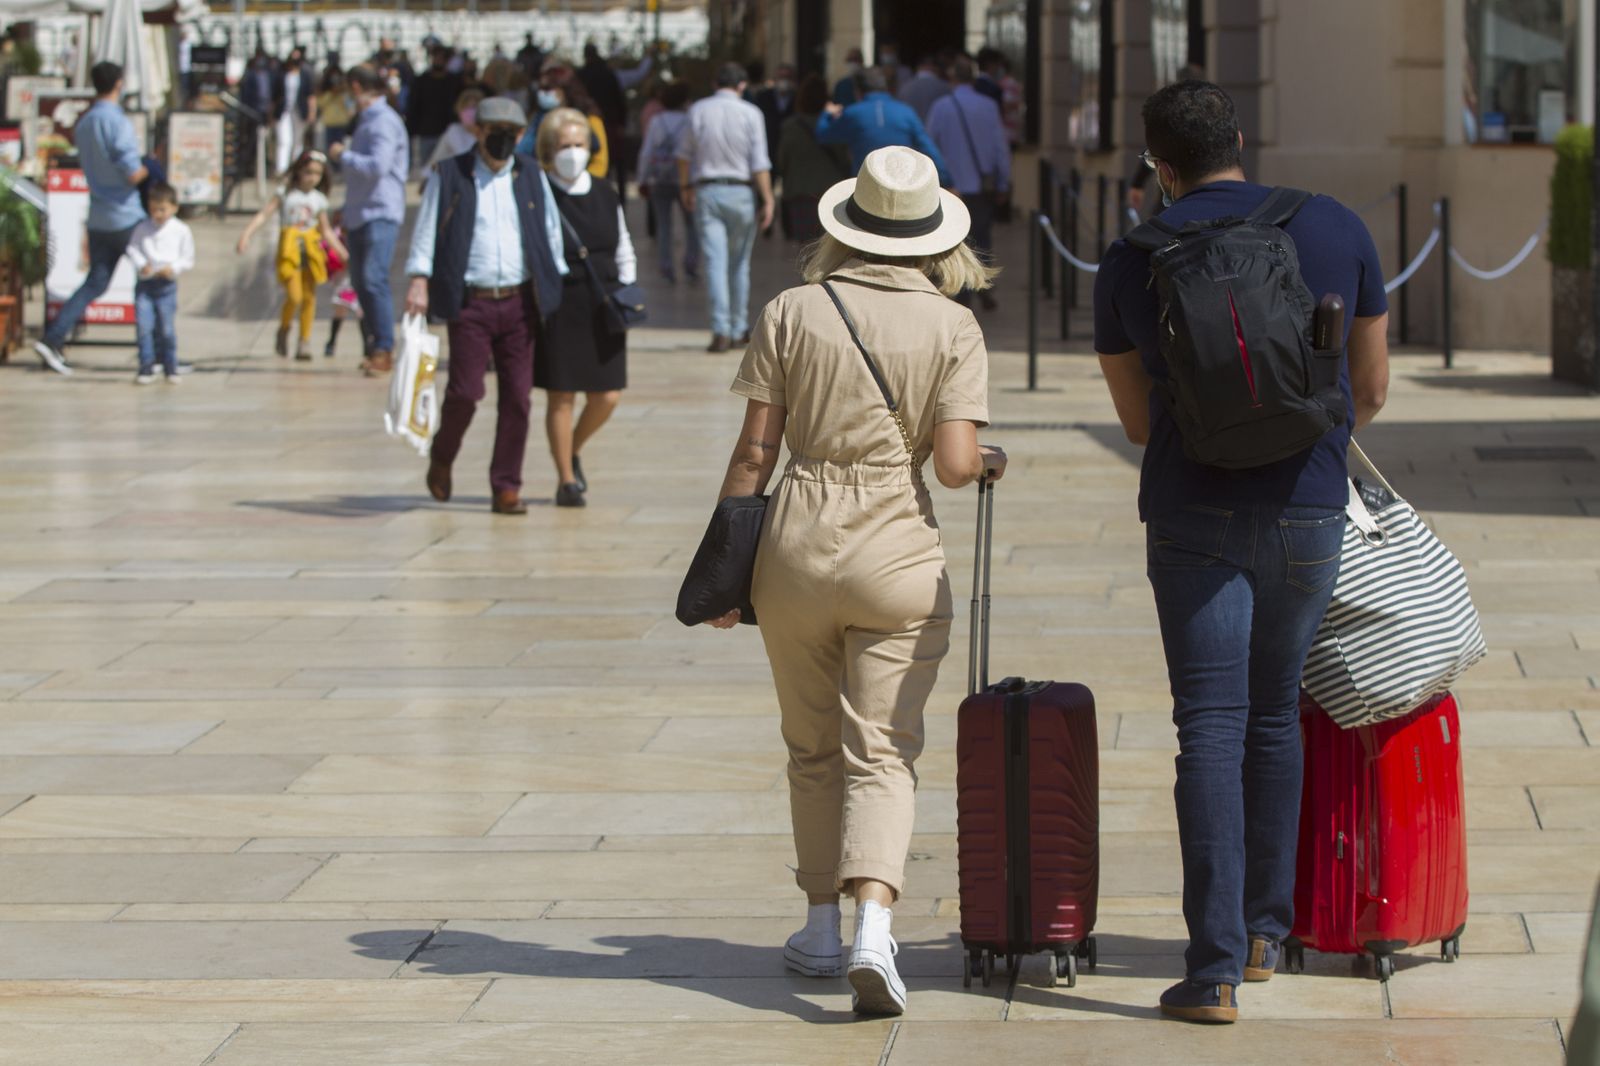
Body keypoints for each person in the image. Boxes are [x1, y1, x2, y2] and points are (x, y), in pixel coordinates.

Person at [1093, 80, 1391, 1024]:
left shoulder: (1131, 260)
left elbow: (1139, 421)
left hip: (1194, 515)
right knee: (1274, 718)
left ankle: (1212, 969)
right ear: (1241, 142)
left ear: (1160, 167)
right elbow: (1372, 389)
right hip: (1309, 509)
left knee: (1209, 728)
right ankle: (1267, 933)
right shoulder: (1337, 226)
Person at [704, 145, 1002, 1017]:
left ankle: (820, 927)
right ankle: (878, 923)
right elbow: (952, 466)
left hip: (796, 539)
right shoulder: (955, 326)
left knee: (811, 746)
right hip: (896, 548)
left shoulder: (794, 308)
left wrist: (726, 567)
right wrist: (988, 459)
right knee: (885, 749)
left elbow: (756, 449)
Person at [403, 96, 569, 516]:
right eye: (492, 132)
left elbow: (549, 229)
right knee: (465, 391)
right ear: (478, 132)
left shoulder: (531, 174)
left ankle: (506, 486)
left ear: (519, 136)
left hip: (519, 301)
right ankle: (444, 454)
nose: (500, 142)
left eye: (509, 134)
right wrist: (419, 278)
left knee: (518, 397)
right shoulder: (451, 174)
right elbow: (427, 229)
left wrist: (555, 283)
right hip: (471, 301)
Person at [536, 108, 637, 508]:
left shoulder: (604, 191)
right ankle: (565, 478)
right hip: (562, 301)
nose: (573, 153)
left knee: (607, 395)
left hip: (605, 299)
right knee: (561, 395)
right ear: (549, 150)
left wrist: (628, 289)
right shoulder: (539, 193)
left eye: (579, 145)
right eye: (565, 146)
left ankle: (571, 448)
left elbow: (623, 243)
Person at [33, 61, 148, 377]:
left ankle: (54, 337)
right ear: (119, 84)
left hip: (97, 213)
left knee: (95, 281)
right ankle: (152, 353)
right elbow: (132, 172)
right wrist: (153, 169)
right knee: (149, 281)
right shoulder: (117, 121)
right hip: (126, 214)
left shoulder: (84, 122)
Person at [675, 62, 775, 353]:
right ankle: (738, 325)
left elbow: (683, 155)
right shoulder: (751, 113)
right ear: (742, 85)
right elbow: (760, 163)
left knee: (715, 263)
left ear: (715, 83)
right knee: (739, 263)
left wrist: (685, 186)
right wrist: (768, 199)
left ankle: (720, 330)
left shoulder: (698, 110)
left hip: (708, 190)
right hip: (742, 192)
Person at [330, 64, 409, 377]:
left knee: (373, 279)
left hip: (380, 210)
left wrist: (341, 155)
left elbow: (377, 166)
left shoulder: (383, 122)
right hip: (360, 210)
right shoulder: (366, 121)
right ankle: (375, 343)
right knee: (361, 281)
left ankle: (384, 347)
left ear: (357, 88)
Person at [235, 150, 349, 361]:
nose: (312, 177)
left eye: (317, 173)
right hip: (289, 250)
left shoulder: (319, 199)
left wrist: (341, 252)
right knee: (294, 295)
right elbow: (264, 215)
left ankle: (304, 341)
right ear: (298, 171)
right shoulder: (285, 194)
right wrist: (246, 234)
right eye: (308, 172)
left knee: (309, 297)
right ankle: (284, 328)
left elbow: (325, 230)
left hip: (311, 250)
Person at [926, 56, 1009, 310]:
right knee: (981, 237)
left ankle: (960, 289)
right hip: (980, 186)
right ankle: (980, 284)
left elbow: (930, 145)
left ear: (952, 78)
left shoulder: (941, 107)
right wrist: (1004, 182)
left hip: (950, 187)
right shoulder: (988, 106)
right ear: (974, 78)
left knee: (952, 240)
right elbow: (999, 148)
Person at [815, 67, 951, 187]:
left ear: (857, 91)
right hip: (903, 189)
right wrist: (945, 179)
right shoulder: (905, 112)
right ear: (886, 87)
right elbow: (927, 147)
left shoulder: (852, 113)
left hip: (866, 190)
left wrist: (827, 113)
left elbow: (822, 135)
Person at [124, 183, 193, 385]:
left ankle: (170, 365)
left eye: (162, 209)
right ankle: (146, 366)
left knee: (167, 329)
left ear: (174, 207)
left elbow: (187, 258)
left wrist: (173, 268)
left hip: (166, 285)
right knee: (144, 327)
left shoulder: (181, 230)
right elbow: (133, 248)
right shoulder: (143, 228)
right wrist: (141, 264)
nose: (158, 214)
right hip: (146, 284)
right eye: (154, 209)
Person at [636, 80, 698, 282]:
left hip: (660, 178)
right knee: (691, 224)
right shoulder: (690, 120)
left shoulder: (657, 121)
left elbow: (647, 152)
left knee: (664, 225)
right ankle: (690, 263)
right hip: (685, 179)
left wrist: (642, 178)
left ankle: (666, 266)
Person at [776, 73, 849, 243]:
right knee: (829, 248)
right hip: (831, 194)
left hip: (800, 194)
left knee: (806, 248)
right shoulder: (834, 125)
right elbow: (844, 157)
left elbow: (782, 161)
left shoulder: (790, 127)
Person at [407, 45, 464, 172]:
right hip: (427, 132)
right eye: (435, 57)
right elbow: (413, 106)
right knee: (426, 170)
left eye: (442, 58)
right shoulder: (421, 81)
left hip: (448, 131)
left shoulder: (454, 82)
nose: (438, 61)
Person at [274, 47, 317, 176]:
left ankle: (296, 167)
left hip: (300, 111)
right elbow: (275, 96)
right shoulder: (282, 75)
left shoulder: (305, 75)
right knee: (284, 140)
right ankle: (282, 168)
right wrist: (272, 115)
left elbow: (310, 95)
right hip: (284, 111)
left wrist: (311, 112)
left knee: (298, 141)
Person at [423, 88, 483, 170]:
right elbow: (464, 157)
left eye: (474, 107)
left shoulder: (482, 134)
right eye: (466, 108)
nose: (470, 112)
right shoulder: (453, 130)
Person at [753, 63, 798, 168]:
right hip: (769, 147)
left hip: (791, 149)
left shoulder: (798, 97)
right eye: (781, 77)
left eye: (787, 77)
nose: (783, 81)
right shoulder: (763, 96)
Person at [897, 51, 951, 122]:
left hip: (912, 130)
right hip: (936, 131)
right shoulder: (945, 87)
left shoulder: (905, 87)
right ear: (935, 67)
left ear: (918, 67)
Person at [317, 66, 353, 149]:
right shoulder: (325, 91)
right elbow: (320, 104)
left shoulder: (345, 91)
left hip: (342, 123)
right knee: (328, 147)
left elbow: (349, 104)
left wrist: (341, 90)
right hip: (329, 123)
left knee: (341, 147)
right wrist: (331, 93)